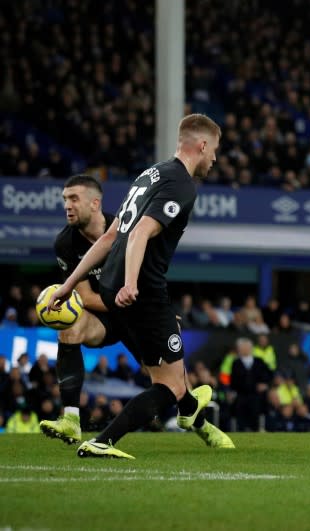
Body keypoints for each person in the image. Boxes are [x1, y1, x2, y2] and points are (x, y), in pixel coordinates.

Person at [49, 114, 234, 458]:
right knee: (169, 385)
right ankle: (104, 441)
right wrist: (131, 283)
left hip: (109, 285)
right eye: (215, 150)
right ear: (202, 144)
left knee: (166, 374)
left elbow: (108, 236)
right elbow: (138, 234)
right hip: (143, 291)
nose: (215, 159)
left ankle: (192, 409)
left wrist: (67, 285)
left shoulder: (150, 175)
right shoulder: (182, 184)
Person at [39, 175, 120, 445]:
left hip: (139, 314)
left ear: (95, 203)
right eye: (65, 199)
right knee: (68, 326)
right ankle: (71, 419)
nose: (67, 205)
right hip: (103, 316)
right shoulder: (66, 244)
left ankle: (198, 420)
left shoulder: (124, 230)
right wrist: (120, 303)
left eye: (74, 198)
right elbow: (84, 297)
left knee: (170, 374)